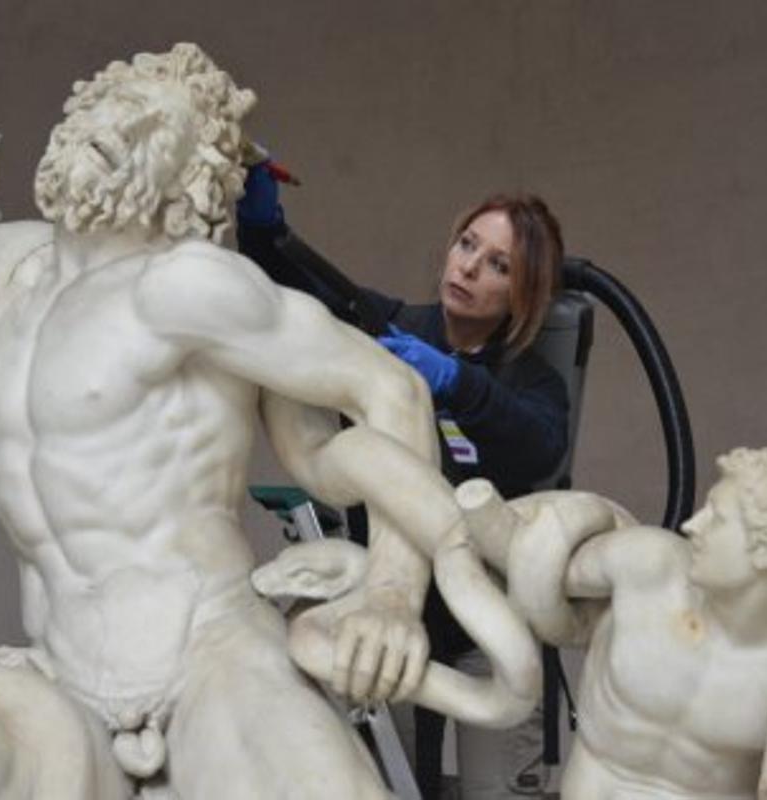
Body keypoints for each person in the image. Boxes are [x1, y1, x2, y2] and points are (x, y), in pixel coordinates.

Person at [0, 43, 487, 798]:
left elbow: (389, 389)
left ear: (186, 182)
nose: (118, 128)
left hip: (208, 657)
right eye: (108, 105)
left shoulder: (189, 287)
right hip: (56, 678)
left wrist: (391, 595)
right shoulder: (6, 270)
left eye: (152, 128)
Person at [238, 164, 569, 797]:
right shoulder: (389, 329)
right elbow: (295, 297)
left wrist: (455, 383)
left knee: (494, 789)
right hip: (388, 610)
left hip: (487, 618)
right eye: (467, 244)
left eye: (499, 265)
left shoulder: (531, 382)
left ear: (525, 295)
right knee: (384, 782)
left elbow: (539, 448)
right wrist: (261, 230)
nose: (469, 267)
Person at [463, 447, 767, 799]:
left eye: (716, 518)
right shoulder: (647, 564)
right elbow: (533, 564)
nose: (690, 525)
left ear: (766, 552)